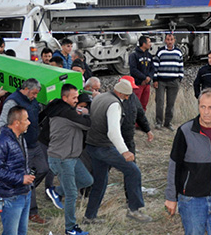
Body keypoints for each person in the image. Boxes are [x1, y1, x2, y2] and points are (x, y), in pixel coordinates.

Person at [165, 88, 211, 235]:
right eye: (202, 106)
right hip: (192, 201)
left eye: (210, 107)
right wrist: (171, 197)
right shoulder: (185, 131)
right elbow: (174, 165)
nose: (206, 111)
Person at [84, 79, 151, 223]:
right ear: (119, 92)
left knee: (100, 182)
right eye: (126, 96)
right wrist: (125, 151)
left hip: (92, 145)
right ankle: (134, 210)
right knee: (133, 171)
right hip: (104, 147)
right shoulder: (114, 104)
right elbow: (113, 132)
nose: (127, 98)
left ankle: (90, 216)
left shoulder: (100, 97)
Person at [44, 84, 93, 235]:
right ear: (64, 98)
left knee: (87, 180)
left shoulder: (64, 109)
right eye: (74, 98)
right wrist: (85, 113)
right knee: (72, 194)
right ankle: (70, 228)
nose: (77, 100)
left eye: (77, 97)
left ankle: (56, 191)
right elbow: (87, 125)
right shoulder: (66, 112)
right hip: (62, 158)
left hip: (71, 157)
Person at [0, 78, 48, 225]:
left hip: (34, 143)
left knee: (43, 169)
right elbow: (1, 125)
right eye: (33, 93)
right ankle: (32, 212)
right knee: (28, 176)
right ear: (25, 89)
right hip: (22, 147)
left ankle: (22, 190)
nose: (35, 97)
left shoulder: (31, 100)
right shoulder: (13, 102)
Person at [0, 106, 35, 235]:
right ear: (16, 123)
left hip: (24, 193)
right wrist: (21, 179)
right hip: (10, 197)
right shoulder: (0, 142)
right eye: (26, 120)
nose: (29, 122)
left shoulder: (20, 138)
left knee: (22, 232)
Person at [152, 33, 184, 130]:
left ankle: (168, 123)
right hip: (161, 81)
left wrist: (180, 78)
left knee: (171, 103)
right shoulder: (160, 52)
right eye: (168, 39)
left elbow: (181, 66)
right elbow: (155, 66)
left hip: (174, 81)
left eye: (171, 39)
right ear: (165, 40)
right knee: (160, 102)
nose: (169, 41)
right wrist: (155, 79)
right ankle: (158, 122)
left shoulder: (178, 52)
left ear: (174, 40)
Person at [119, 76, 153, 155]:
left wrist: (147, 130)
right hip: (114, 136)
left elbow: (140, 115)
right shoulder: (111, 98)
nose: (132, 90)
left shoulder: (133, 97)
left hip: (128, 135)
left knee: (131, 161)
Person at [128, 35, 154, 111]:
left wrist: (149, 77)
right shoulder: (134, 55)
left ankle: (142, 122)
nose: (150, 44)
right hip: (138, 84)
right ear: (144, 44)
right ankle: (134, 122)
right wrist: (144, 78)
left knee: (143, 106)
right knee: (136, 105)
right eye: (149, 42)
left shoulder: (149, 55)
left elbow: (152, 68)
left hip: (147, 84)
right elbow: (133, 70)